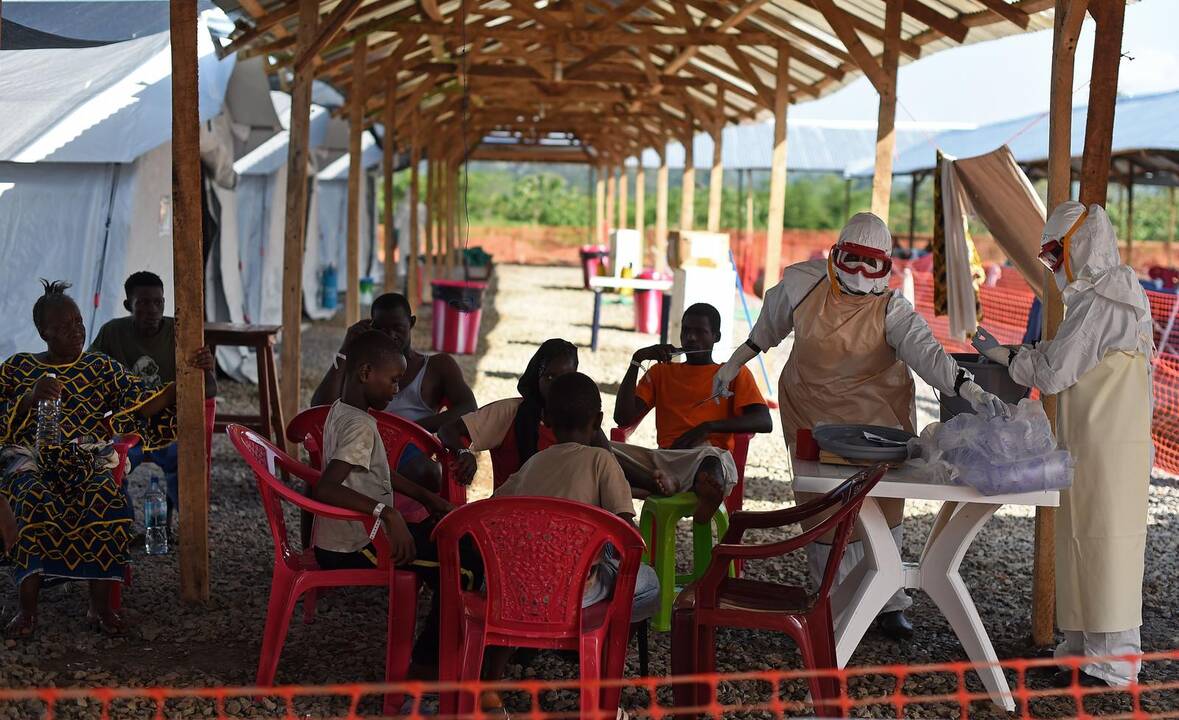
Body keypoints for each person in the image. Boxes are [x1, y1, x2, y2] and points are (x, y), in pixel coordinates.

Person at [712, 213, 1007, 641]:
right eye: (853, 260)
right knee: (823, 505)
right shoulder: (800, 284)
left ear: (886, 267)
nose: (861, 273)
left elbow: (929, 357)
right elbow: (765, 334)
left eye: (873, 264)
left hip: (879, 417)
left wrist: (971, 390)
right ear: (836, 255)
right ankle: (828, 599)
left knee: (884, 503)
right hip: (813, 412)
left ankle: (888, 603)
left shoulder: (892, 308)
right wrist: (732, 364)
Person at [986, 203, 1153, 688]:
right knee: (1080, 534)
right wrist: (1020, 355)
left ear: (1082, 244)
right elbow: (1064, 358)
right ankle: (1082, 649)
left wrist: (1009, 358)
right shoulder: (1094, 298)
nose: (1053, 265)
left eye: (1056, 253)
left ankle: (1113, 661)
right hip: (1091, 439)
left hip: (1112, 446)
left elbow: (1056, 372)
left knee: (1107, 543)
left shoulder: (1108, 300)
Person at [0, 280, 193, 637]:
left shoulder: (100, 367)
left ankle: (100, 607)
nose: (77, 330)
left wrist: (187, 378)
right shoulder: (19, 367)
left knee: (106, 496)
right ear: (44, 332)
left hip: (83, 455)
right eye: (65, 326)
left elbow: (144, 401)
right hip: (30, 456)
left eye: (78, 322)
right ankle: (27, 610)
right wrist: (29, 398)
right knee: (29, 496)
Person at [481, 372, 659, 710]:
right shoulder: (601, 460)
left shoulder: (533, 464)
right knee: (647, 582)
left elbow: (493, 511)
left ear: (546, 420)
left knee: (526, 576)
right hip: (577, 592)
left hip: (515, 590)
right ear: (599, 421)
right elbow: (626, 537)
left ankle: (489, 687)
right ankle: (603, 668)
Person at [310, 329, 479, 676]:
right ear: (365, 373)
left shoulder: (342, 411)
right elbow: (326, 488)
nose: (397, 389)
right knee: (467, 568)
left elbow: (378, 471)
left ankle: (442, 640)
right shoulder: (359, 426)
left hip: (350, 537)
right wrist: (387, 513)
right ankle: (426, 666)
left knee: (448, 542)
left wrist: (429, 499)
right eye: (393, 380)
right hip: (357, 546)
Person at [613, 303, 772, 524]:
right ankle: (666, 482)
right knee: (599, 448)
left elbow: (764, 421)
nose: (691, 338)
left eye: (700, 332)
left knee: (710, 459)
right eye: (686, 331)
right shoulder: (661, 372)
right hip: (665, 460)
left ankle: (684, 488)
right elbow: (622, 418)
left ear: (716, 337)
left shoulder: (732, 373)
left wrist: (708, 427)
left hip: (706, 458)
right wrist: (636, 360)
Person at [311, 293, 477, 495]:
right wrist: (346, 348)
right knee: (315, 478)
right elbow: (319, 409)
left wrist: (411, 430)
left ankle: (420, 524)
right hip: (360, 444)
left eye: (397, 328)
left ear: (412, 323)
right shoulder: (365, 369)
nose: (390, 335)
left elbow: (468, 407)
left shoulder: (437, 366)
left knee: (428, 473)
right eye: (380, 329)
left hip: (409, 449)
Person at [90, 271, 217, 532]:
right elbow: (89, 376)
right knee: (108, 461)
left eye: (158, 302)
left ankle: (191, 531)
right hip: (129, 426)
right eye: (144, 303)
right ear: (128, 305)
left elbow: (210, 390)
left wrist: (207, 368)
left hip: (170, 426)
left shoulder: (182, 332)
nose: (152, 310)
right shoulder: (112, 333)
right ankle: (121, 528)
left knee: (185, 462)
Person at [438, 339, 598, 488]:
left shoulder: (582, 418)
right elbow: (447, 430)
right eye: (550, 377)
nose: (558, 386)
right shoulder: (510, 413)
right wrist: (464, 451)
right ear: (537, 378)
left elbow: (609, 461)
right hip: (512, 510)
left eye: (566, 378)